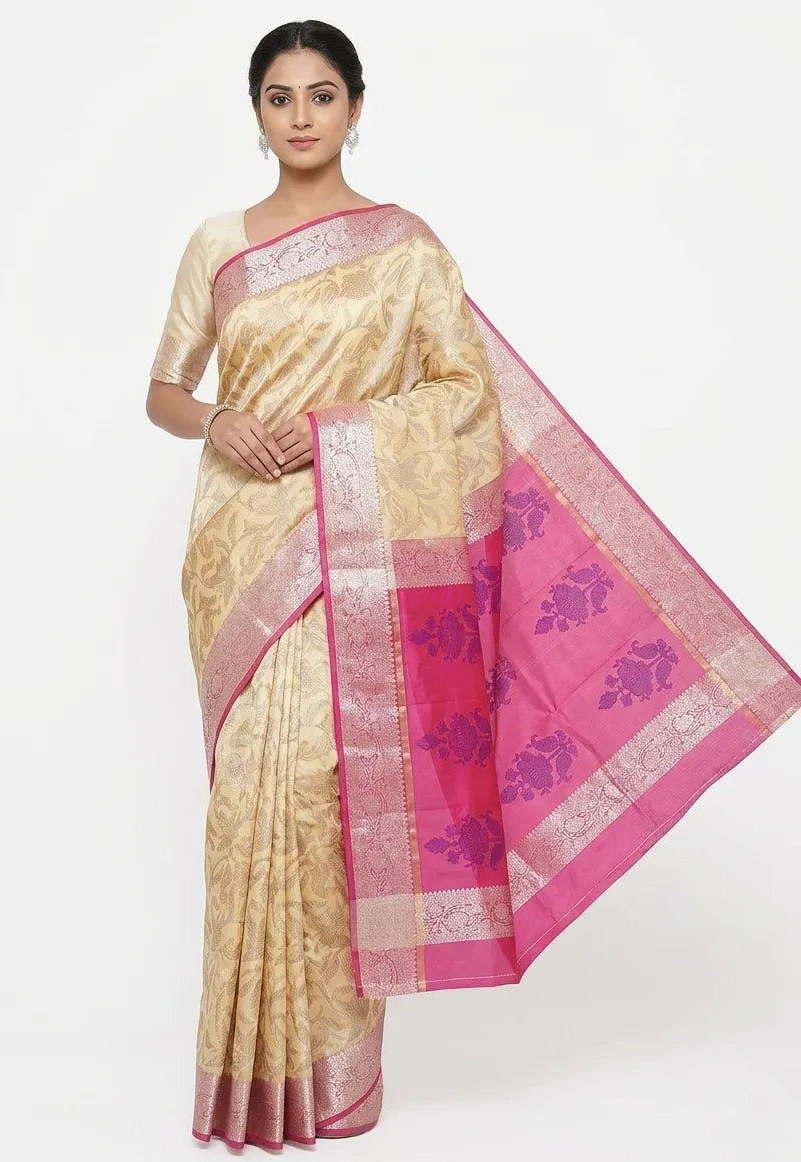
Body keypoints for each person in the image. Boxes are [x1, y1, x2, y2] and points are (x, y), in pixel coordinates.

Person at [145, 19, 801, 1154]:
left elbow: (462, 396)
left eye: (322, 95)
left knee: (326, 798)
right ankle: (252, 1076)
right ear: (255, 115)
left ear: (357, 107)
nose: (300, 116)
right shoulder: (218, 246)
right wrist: (222, 418)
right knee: (250, 802)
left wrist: (336, 435)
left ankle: (337, 1082)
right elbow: (163, 390)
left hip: (356, 545)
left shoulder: (405, 248)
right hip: (243, 545)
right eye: (279, 98)